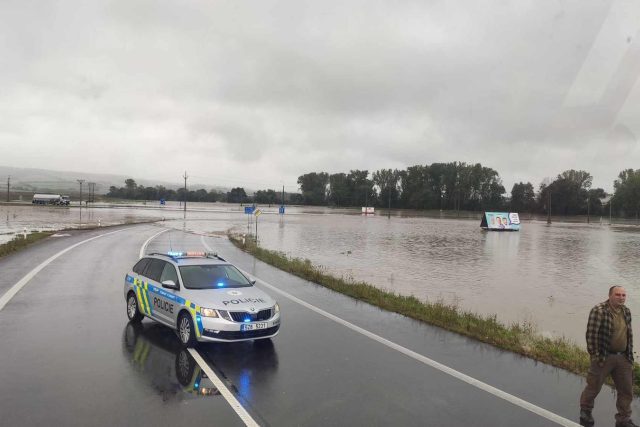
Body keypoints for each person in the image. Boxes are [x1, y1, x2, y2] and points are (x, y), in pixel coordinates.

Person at [579, 286, 637, 427]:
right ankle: (585, 411)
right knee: (594, 386)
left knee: (626, 390)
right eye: (618, 295)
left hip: (623, 357)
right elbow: (591, 335)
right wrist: (595, 355)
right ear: (610, 295)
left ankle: (623, 420)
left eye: (623, 295)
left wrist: (629, 357)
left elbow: (629, 335)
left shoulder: (626, 311)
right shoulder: (599, 311)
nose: (621, 297)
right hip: (603, 357)